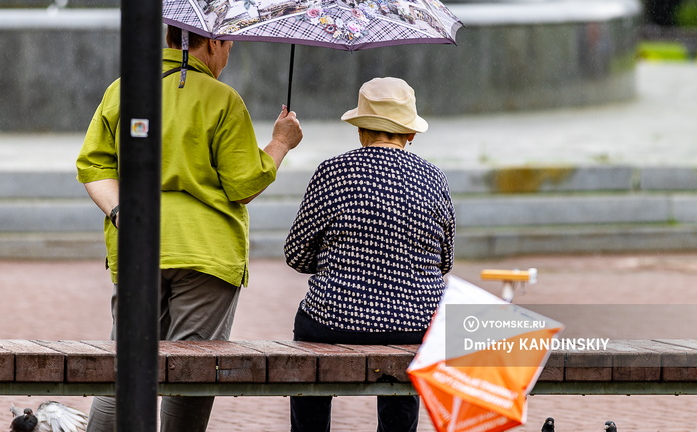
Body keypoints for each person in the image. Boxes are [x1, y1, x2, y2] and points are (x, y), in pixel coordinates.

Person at [76, 25, 303, 432]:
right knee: (191, 373)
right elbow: (243, 184)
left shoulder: (122, 89)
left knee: (124, 369)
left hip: (138, 247)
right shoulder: (222, 98)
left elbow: (93, 166)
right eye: (229, 44)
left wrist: (120, 213)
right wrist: (280, 142)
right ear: (213, 43)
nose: (229, 53)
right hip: (206, 253)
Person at [284, 76, 455, 432]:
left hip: (332, 321)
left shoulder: (332, 172)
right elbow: (444, 262)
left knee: (307, 329)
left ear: (360, 130)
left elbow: (296, 255)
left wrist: (343, 261)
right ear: (411, 134)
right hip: (415, 326)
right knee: (407, 362)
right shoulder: (434, 178)